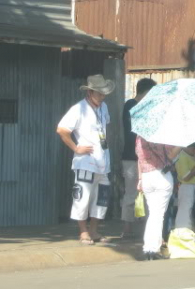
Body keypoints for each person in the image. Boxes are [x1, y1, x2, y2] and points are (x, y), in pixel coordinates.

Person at [56, 74, 115, 245]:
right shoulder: (78, 108)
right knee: (82, 197)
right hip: (85, 161)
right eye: (99, 93)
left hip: (103, 160)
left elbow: (105, 126)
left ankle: (94, 230)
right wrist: (76, 147)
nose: (102, 96)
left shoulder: (104, 108)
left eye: (104, 93)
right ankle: (83, 231)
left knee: (101, 197)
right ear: (90, 92)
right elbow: (62, 129)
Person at [120, 78, 157, 239]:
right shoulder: (130, 105)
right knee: (131, 193)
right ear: (144, 92)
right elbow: (134, 129)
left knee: (148, 193)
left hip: (147, 157)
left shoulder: (149, 107)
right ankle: (127, 228)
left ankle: (146, 229)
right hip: (131, 157)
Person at [136, 135, 181, 260]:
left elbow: (139, 159)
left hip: (146, 176)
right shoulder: (163, 134)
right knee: (158, 214)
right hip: (161, 175)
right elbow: (171, 155)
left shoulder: (140, 136)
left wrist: (140, 178)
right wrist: (181, 146)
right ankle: (153, 249)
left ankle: (148, 247)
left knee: (153, 214)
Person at [174, 142, 195, 230]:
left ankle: (190, 229)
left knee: (191, 210)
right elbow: (186, 177)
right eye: (193, 148)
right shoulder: (182, 156)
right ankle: (182, 229)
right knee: (185, 210)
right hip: (186, 186)